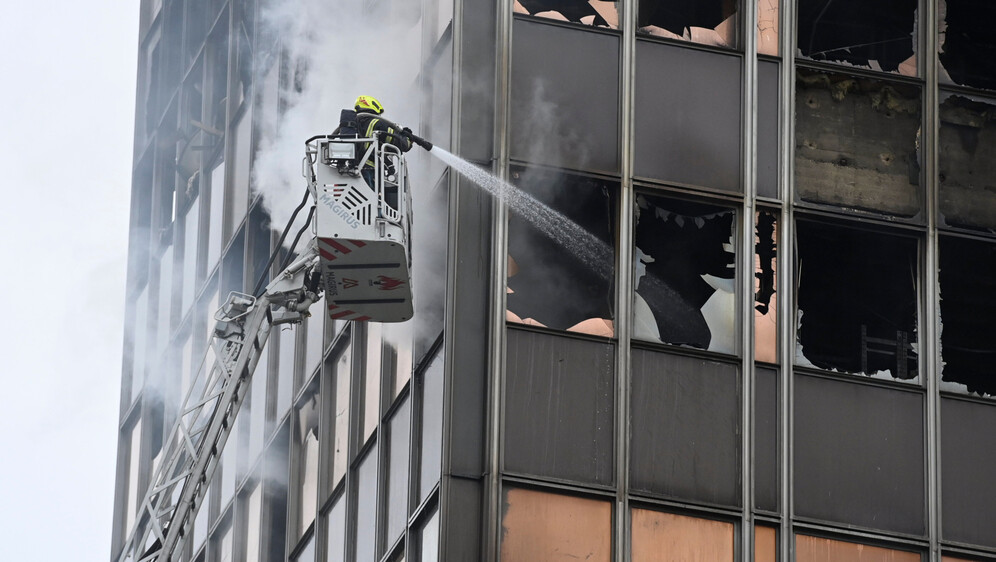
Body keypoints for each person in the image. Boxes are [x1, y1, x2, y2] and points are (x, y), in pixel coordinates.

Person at [337, 95, 413, 210]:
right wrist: (407, 137)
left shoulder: (351, 125)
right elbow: (402, 144)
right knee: (372, 205)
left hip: (353, 168)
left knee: (356, 205)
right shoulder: (378, 123)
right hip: (370, 170)